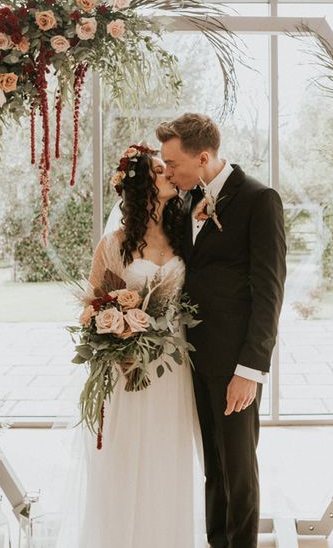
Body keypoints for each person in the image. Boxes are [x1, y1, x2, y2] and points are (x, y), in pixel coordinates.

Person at [56, 143, 203, 548]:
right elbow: (92, 308)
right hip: (129, 368)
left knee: (167, 457)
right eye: (160, 170)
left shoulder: (184, 234)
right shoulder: (114, 244)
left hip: (173, 365)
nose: (169, 174)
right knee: (126, 458)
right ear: (141, 187)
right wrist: (118, 342)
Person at [157, 113, 287, 548]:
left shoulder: (258, 199)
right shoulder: (183, 201)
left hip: (235, 360)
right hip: (194, 356)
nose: (168, 171)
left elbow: (269, 292)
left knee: (239, 468)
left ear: (204, 157)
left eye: (173, 163)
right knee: (213, 463)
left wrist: (250, 369)